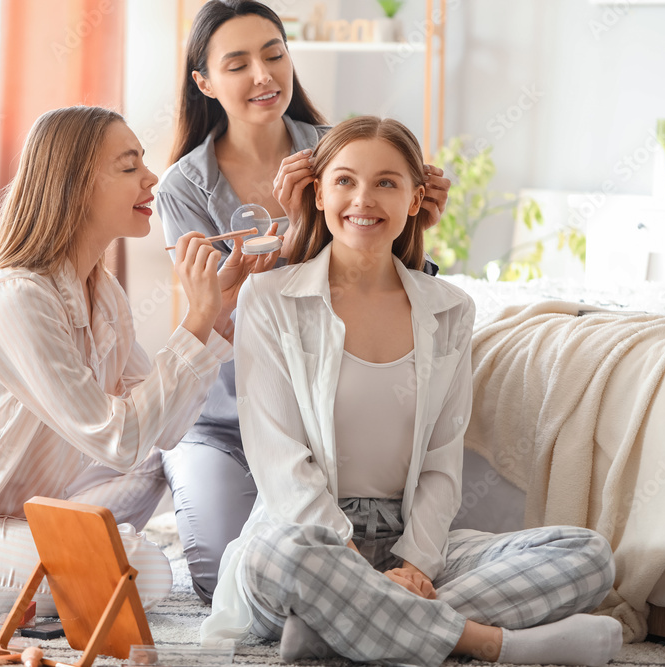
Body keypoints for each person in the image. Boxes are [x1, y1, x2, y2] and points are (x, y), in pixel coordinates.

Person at [202, 115, 622, 667]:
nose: (364, 199)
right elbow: (277, 458)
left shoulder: (449, 308)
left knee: (586, 555)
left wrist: (417, 566)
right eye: (345, 180)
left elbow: (442, 461)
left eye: (386, 182)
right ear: (321, 192)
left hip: (410, 546)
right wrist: (347, 560)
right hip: (313, 544)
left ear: (415, 197)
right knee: (280, 558)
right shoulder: (269, 297)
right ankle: (488, 643)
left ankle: (340, 630)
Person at [0, 106, 260, 614]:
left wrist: (217, 313)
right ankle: (52, 554)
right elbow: (118, 439)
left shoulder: (104, 294)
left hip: (14, 515)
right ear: (75, 185)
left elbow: (165, 430)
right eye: (129, 166)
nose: (152, 178)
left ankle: (51, 548)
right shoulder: (17, 298)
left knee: (154, 474)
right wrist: (195, 321)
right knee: (142, 572)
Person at [156, 0, 452, 603]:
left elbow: (390, 289)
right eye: (237, 64)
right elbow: (218, 318)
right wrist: (298, 235)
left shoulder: (343, 153)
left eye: (274, 54)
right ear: (205, 82)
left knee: (337, 563)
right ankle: (376, 606)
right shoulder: (183, 188)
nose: (264, 76)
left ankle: (370, 603)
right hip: (225, 419)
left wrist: (411, 224)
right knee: (226, 580)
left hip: (325, 417)